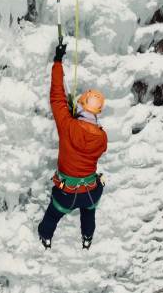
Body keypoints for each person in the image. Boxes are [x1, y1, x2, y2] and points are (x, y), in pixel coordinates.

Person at [38, 38, 108, 250]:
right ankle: (87, 238)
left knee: (53, 215)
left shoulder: (67, 125)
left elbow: (57, 97)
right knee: (89, 213)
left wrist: (58, 61)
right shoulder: (102, 137)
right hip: (90, 191)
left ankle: (46, 237)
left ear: (80, 106)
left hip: (66, 193)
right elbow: (91, 134)